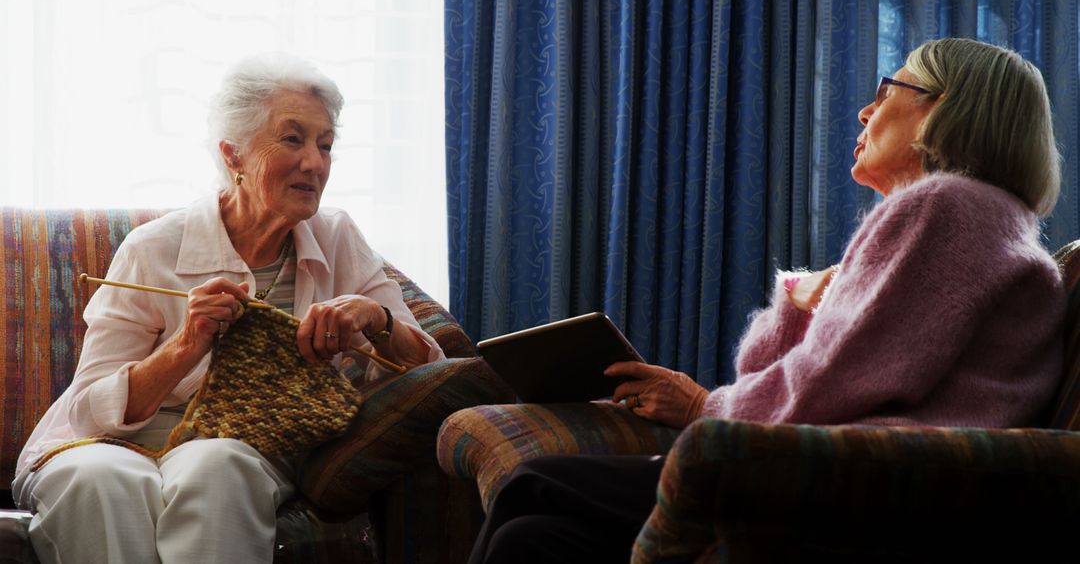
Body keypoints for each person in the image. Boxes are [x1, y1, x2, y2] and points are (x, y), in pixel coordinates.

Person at [468, 38, 1065, 563]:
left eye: (888, 89)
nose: (865, 109)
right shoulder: (983, 221)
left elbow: (825, 385)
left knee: (531, 482)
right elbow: (777, 379)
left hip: (860, 486)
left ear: (944, 107)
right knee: (535, 539)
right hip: (861, 475)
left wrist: (704, 406)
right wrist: (802, 302)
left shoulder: (945, 208)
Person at [12, 54, 444, 563]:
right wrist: (185, 344)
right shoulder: (154, 248)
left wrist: (377, 319)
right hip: (111, 444)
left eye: (325, 145)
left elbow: (431, 370)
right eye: (293, 139)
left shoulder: (336, 237)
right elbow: (89, 410)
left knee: (217, 466)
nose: (315, 162)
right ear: (233, 156)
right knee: (99, 482)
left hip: (244, 440)